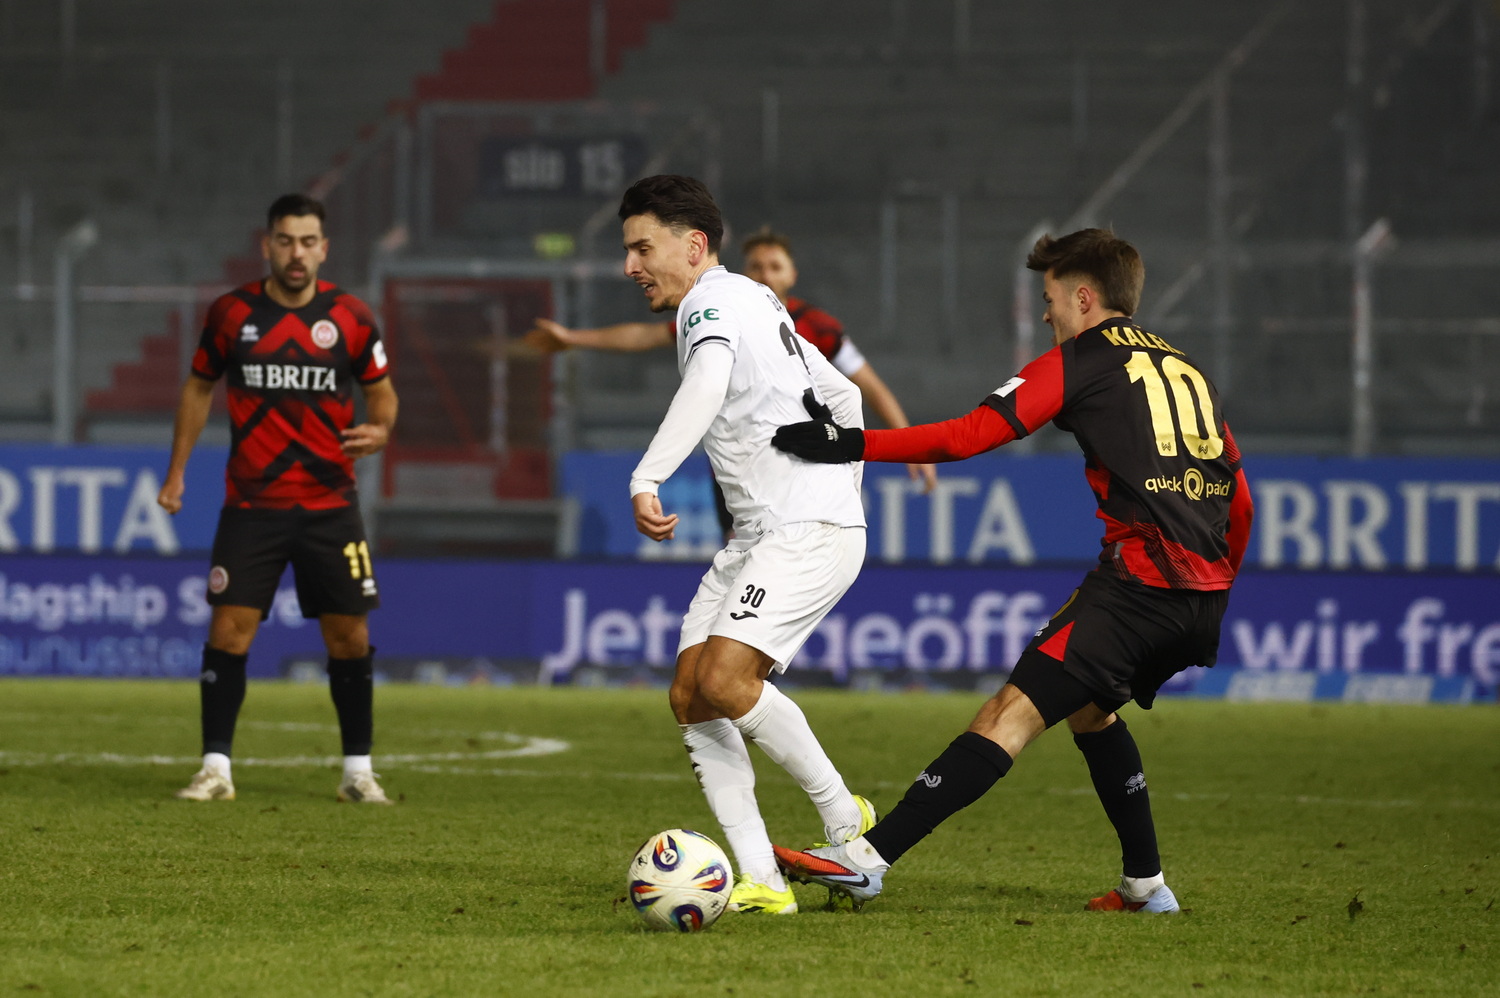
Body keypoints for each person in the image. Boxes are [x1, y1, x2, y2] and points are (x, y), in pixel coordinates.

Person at [770, 228, 1254, 913]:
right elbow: (1241, 500)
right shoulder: (1189, 370)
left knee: (1009, 713)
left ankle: (866, 860)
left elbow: (969, 435)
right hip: (1203, 595)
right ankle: (1146, 886)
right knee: (1090, 711)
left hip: (1140, 587)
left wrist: (848, 443)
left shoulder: (1082, 360)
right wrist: (1213, 586)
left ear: (1083, 298)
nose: (1047, 315)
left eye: (1051, 299)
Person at [619, 175, 877, 915]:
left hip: (801, 529)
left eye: (643, 248)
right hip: (768, 532)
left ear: (693, 245)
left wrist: (647, 476)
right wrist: (841, 486)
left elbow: (707, 383)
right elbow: (846, 398)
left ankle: (843, 816)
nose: (631, 266)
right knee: (692, 695)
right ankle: (764, 880)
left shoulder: (709, 303)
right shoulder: (757, 299)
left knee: (728, 681)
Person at [157, 193, 399, 805]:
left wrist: (381, 429)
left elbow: (382, 392)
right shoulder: (232, 313)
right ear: (268, 245)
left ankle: (358, 772)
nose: (297, 253)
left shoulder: (350, 317)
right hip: (252, 505)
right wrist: (177, 472)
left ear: (324, 248)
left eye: (308, 241)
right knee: (229, 631)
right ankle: (215, 769)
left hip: (330, 504)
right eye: (286, 241)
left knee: (349, 638)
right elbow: (198, 388)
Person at [525, 229, 937, 494]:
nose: (766, 274)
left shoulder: (819, 327)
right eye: (756, 266)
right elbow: (645, 335)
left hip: (804, 459)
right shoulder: (722, 313)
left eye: (775, 266)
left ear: (792, 275)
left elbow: (868, 387)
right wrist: (572, 338)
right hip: (741, 459)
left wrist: (910, 447)